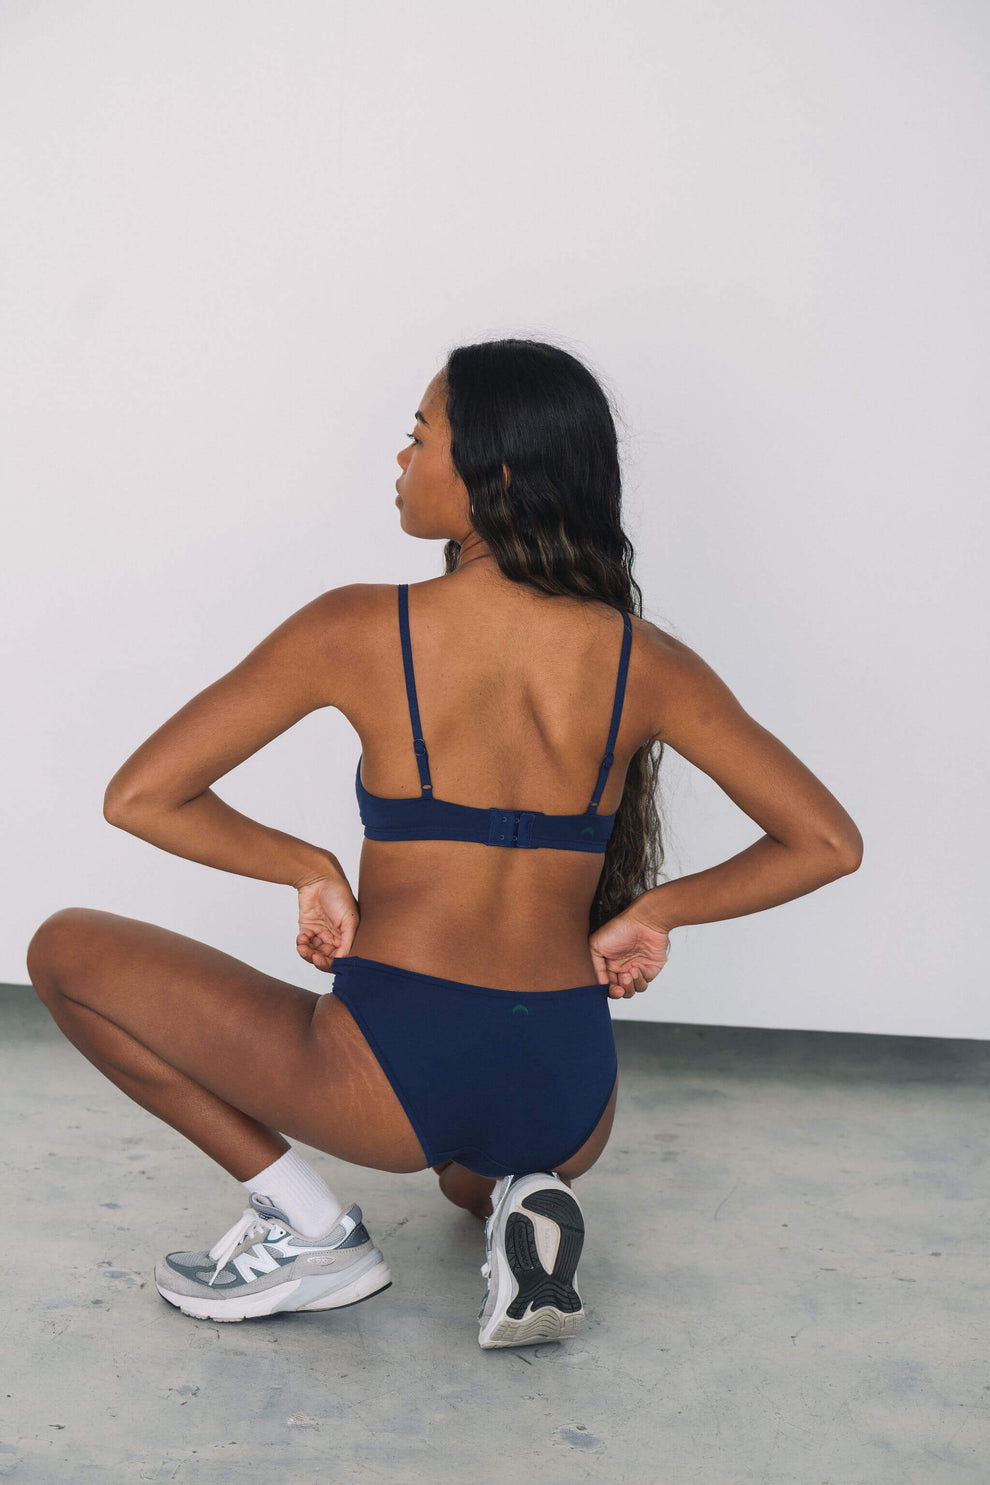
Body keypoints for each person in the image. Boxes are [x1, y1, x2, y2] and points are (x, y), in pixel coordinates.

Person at [25, 338, 863, 1349]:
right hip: (569, 1093)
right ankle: (526, 1194)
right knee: (467, 1169)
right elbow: (827, 841)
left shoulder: (356, 627)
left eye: (420, 436)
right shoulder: (647, 660)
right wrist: (657, 911)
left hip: (392, 1071)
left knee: (63, 950)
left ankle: (308, 1226)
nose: (402, 458)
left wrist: (307, 867)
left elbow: (141, 795)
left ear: (491, 472)